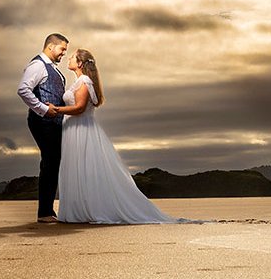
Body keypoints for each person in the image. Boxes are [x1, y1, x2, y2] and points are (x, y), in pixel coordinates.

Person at [50, 49, 185, 224]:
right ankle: (80, 209)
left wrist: (55, 109)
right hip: (75, 129)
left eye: (72, 57)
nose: (69, 59)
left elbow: (80, 108)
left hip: (80, 128)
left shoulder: (84, 81)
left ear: (80, 63)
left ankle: (85, 210)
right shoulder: (80, 81)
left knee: (83, 167)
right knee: (80, 168)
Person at [16, 33, 69, 223]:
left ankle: (47, 210)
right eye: (62, 49)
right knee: (50, 161)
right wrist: (43, 109)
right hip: (43, 122)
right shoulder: (38, 65)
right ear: (51, 46)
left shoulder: (52, 68)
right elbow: (23, 89)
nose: (64, 53)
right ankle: (45, 212)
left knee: (53, 162)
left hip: (53, 123)